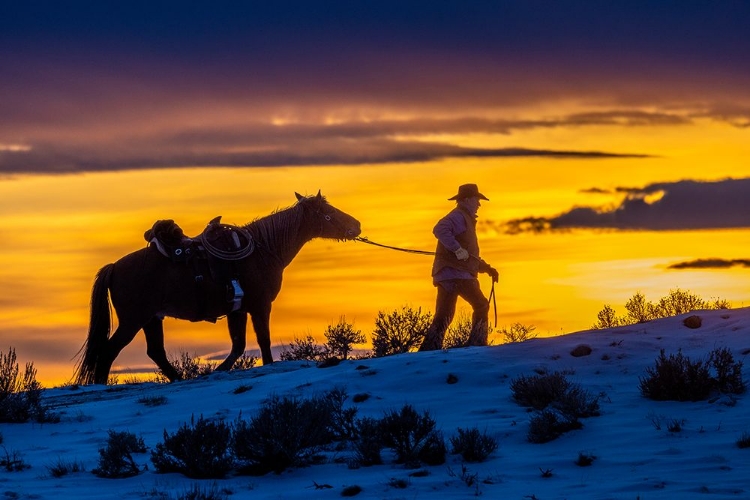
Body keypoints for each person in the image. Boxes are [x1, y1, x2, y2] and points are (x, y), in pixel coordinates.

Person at [419, 183, 499, 351]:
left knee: (444, 315)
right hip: (457, 275)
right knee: (481, 305)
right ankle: (477, 344)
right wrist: (457, 249)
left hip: (448, 274)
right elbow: (439, 229)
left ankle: (429, 349)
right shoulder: (458, 217)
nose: (479, 204)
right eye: (477, 200)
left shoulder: (464, 219)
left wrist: (487, 268)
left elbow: (468, 256)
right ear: (468, 200)